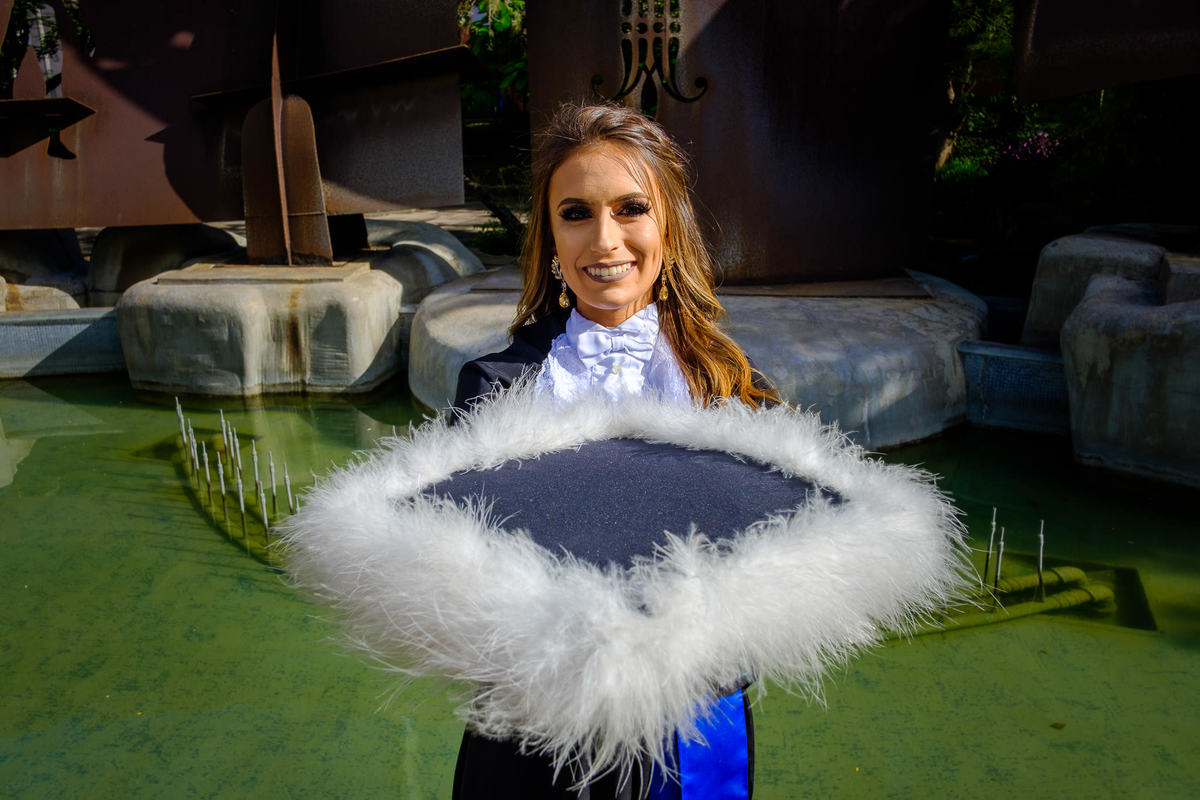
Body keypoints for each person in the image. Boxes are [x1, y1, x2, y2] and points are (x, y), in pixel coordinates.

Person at [452, 103, 777, 799]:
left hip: (693, 722)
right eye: (576, 213)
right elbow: (462, 573)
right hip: (535, 728)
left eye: (631, 208)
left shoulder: (735, 388)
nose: (605, 240)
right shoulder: (492, 389)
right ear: (550, 238)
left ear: (668, 226)